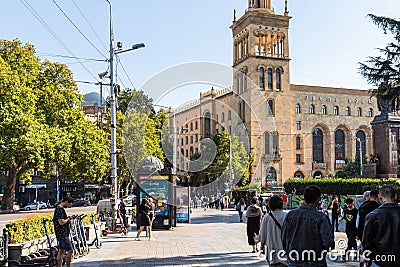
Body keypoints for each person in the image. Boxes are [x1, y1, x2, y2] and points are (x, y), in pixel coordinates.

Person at [282, 185, 334, 267]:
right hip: (316, 261)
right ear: (318, 200)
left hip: (294, 260)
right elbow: (328, 242)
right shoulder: (321, 217)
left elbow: (284, 238)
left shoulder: (290, 215)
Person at [362, 186, 400, 267]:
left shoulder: (372, 216)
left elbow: (366, 242)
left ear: (379, 196)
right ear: (395, 196)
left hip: (380, 259)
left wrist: (369, 257)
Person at [259, 195, 287, 267]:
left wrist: (262, 245)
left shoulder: (267, 217)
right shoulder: (286, 216)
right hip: (284, 249)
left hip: (271, 248)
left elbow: (262, 234)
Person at [53, 195, 73, 267]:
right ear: (67, 202)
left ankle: (59, 266)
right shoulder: (60, 209)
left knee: (61, 251)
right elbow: (61, 222)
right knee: (70, 250)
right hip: (62, 234)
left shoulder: (58, 208)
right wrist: (67, 219)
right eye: (69, 204)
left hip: (61, 234)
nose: (70, 206)